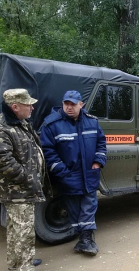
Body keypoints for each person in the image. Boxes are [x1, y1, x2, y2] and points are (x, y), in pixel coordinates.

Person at [0, 88, 52, 271]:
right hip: (16, 190)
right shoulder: (0, 127)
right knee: (24, 229)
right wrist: (26, 178)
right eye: (28, 104)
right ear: (15, 107)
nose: (32, 107)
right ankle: (25, 267)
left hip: (21, 187)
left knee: (16, 228)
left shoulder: (20, 122)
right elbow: (1, 160)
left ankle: (16, 262)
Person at [40, 90, 107, 256]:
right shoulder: (51, 124)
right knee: (74, 209)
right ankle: (83, 239)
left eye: (73, 104)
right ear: (62, 103)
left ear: (81, 104)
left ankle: (87, 239)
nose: (69, 107)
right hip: (68, 175)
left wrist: (98, 162)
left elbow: (101, 142)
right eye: (66, 104)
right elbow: (47, 151)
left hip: (90, 173)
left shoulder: (92, 122)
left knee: (89, 206)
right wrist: (61, 171)